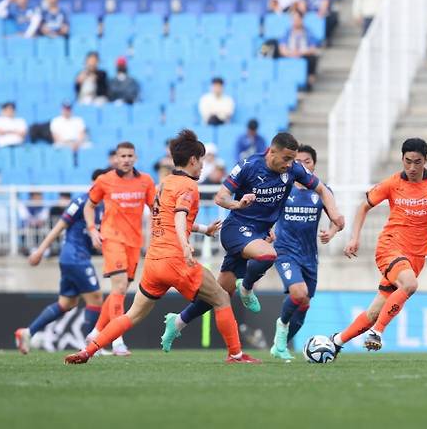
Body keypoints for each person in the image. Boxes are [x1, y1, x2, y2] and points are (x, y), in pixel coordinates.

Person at [65, 130, 260, 364]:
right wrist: (185, 245)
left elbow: (170, 217)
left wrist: (203, 229)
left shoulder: (165, 182)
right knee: (221, 297)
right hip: (175, 258)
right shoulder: (188, 186)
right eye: (202, 161)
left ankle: (88, 350)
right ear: (193, 160)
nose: (202, 167)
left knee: (132, 314)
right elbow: (179, 217)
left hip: (154, 261)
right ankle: (236, 354)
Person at [162, 132, 344, 343]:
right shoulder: (248, 165)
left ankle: (177, 323)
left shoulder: (294, 169)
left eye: (292, 159)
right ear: (271, 151)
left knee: (220, 294)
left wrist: (336, 214)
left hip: (259, 234)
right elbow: (221, 197)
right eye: (286, 158)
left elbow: (323, 190)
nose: (289, 164)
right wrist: (237, 204)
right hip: (236, 229)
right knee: (268, 255)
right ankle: (247, 288)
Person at [330, 138, 427, 354]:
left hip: (417, 256)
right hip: (390, 247)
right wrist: (354, 238)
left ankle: (335, 342)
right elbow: (362, 207)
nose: (412, 167)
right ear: (402, 159)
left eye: (417, 162)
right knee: (410, 285)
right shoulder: (391, 183)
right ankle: (377, 333)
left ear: (426, 160)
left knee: (375, 311)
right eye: (407, 161)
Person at [14, 170, 106, 354]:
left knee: (67, 303)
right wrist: (40, 250)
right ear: (93, 183)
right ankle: (91, 347)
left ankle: (27, 332)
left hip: (77, 257)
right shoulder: (81, 201)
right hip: (74, 256)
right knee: (95, 298)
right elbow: (59, 226)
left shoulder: (104, 206)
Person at [83, 141, 155, 356]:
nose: (125, 160)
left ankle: (95, 334)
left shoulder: (146, 181)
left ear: (135, 158)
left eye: (129, 156)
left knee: (119, 291)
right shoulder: (104, 180)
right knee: (120, 287)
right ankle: (117, 341)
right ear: (115, 158)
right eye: (122, 156)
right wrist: (92, 230)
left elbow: (154, 209)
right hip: (112, 239)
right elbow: (89, 205)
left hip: (134, 242)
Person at [269, 145, 340, 360]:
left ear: (314, 164)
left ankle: (279, 346)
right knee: (298, 293)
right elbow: (267, 213)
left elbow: (337, 219)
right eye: (297, 161)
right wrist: (268, 231)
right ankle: (281, 330)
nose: (302, 165)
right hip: (285, 251)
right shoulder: (283, 187)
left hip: (310, 256)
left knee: (304, 302)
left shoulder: (322, 191)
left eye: (307, 161)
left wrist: (332, 231)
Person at [279, 9, 321, 89]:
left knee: (313, 59)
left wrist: (301, 53)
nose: (295, 21)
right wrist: (291, 54)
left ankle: (309, 82)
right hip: (289, 54)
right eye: (293, 19)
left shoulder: (308, 32)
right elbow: (282, 48)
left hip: (303, 54)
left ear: (301, 19)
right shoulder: (287, 32)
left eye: (297, 19)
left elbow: (313, 48)